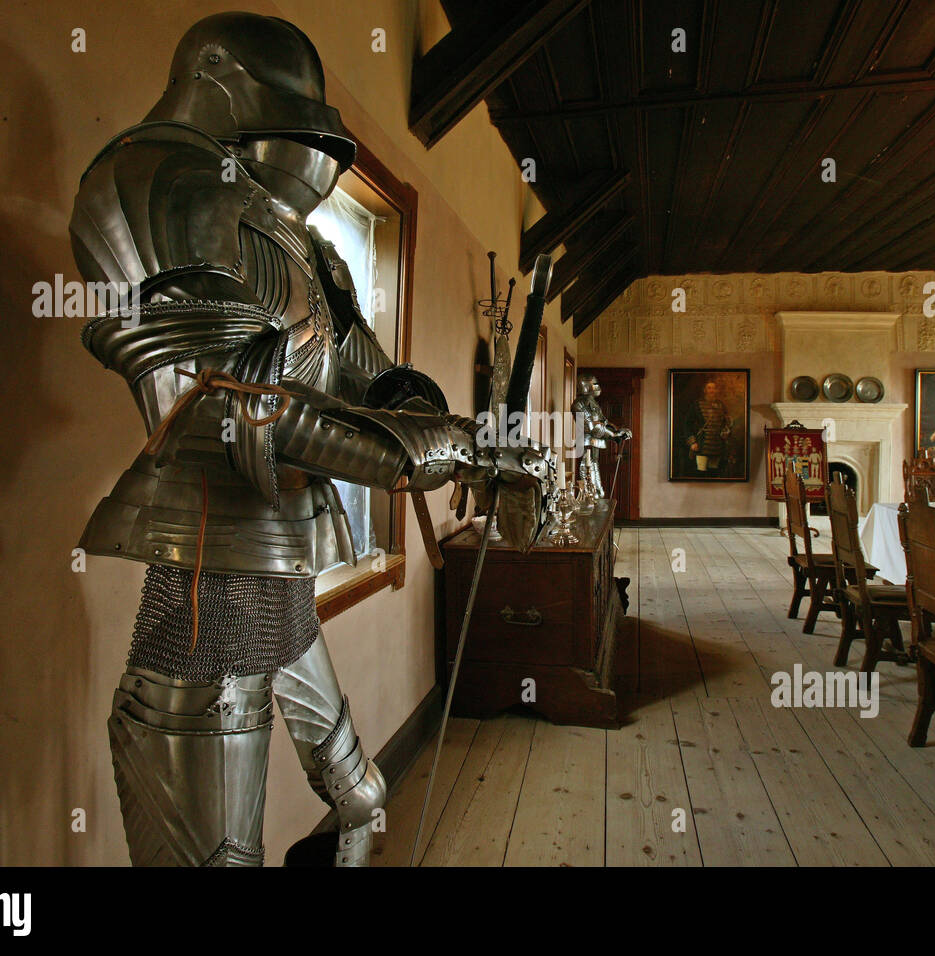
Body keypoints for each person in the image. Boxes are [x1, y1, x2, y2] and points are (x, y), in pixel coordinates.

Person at [69, 13, 549, 867]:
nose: (309, 155)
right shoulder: (158, 181)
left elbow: (372, 380)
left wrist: (456, 428)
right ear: (212, 74)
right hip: (204, 558)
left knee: (363, 796)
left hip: (279, 563)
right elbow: (245, 408)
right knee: (224, 856)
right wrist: (448, 451)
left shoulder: (309, 248)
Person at [571, 375, 630, 499]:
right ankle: (591, 497)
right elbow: (591, 427)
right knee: (587, 470)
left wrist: (618, 431)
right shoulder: (579, 404)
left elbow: (604, 422)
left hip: (594, 443)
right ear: (585, 386)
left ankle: (597, 494)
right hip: (586, 443)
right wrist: (613, 435)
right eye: (594, 384)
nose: (597, 386)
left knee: (595, 469)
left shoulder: (593, 403)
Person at [684, 380, 733, 475]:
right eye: (709, 388)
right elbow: (687, 424)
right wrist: (692, 442)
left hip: (717, 445)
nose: (712, 390)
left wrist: (726, 432)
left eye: (714, 388)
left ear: (716, 390)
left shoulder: (721, 405)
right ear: (705, 390)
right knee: (701, 473)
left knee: (714, 473)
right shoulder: (697, 405)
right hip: (701, 444)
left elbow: (726, 423)